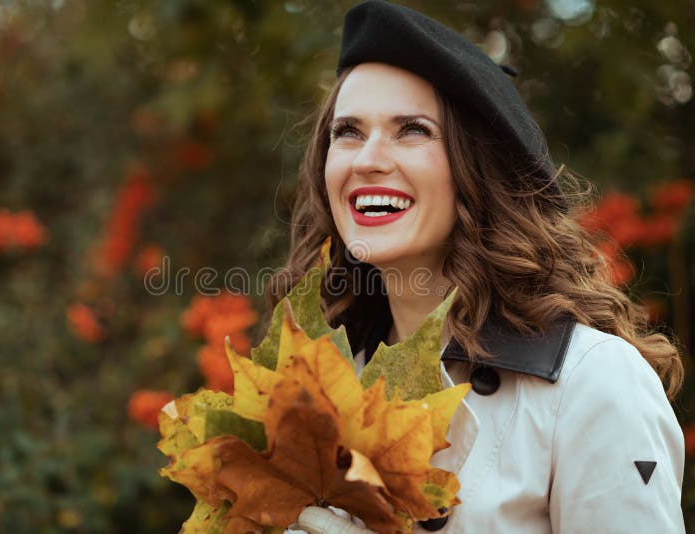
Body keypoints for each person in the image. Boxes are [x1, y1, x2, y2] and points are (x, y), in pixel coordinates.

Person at [269, 1, 686, 532]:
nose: (367, 158)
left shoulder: (594, 383)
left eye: (412, 130)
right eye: (347, 131)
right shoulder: (326, 380)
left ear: (478, 168)